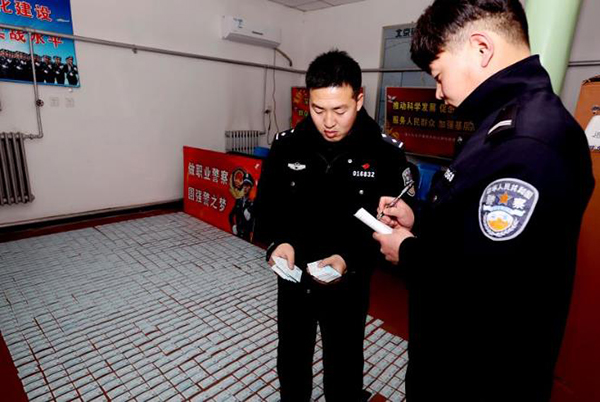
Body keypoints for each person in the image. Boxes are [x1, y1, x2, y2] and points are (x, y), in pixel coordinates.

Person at [373, 1, 595, 401]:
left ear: (481, 48)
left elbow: (485, 284)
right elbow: (472, 228)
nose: (439, 93)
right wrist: (417, 216)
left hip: (479, 375)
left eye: (439, 76)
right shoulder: (506, 124)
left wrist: (406, 250)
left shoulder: (527, 141)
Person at [254, 50, 414, 401]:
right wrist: (279, 243)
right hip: (294, 275)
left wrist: (348, 260)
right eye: (318, 109)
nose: (328, 121)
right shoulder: (287, 146)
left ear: (359, 99)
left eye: (340, 110)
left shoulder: (386, 154)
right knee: (292, 355)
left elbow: (394, 229)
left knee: (344, 363)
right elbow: (266, 208)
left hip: (349, 281)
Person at [229, 172, 255, 241]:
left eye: (247, 186)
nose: (245, 188)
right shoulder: (239, 201)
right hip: (237, 234)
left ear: (251, 187)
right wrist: (233, 226)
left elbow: (253, 221)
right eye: (244, 185)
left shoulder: (252, 204)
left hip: (247, 237)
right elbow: (231, 215)